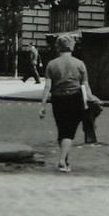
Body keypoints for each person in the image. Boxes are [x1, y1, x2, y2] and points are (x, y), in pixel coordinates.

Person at [40, 35, 91, 173]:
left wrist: (43, 105)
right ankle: (62, 161)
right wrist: (89, 100)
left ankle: (65, 160)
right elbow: (85, 85)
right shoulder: (80, 64)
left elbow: (47, 87)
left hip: (57, 99)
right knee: (69, 132)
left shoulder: (51, 64)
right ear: (72, 46)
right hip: (75, 98)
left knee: (62, 130)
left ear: (58, 47)